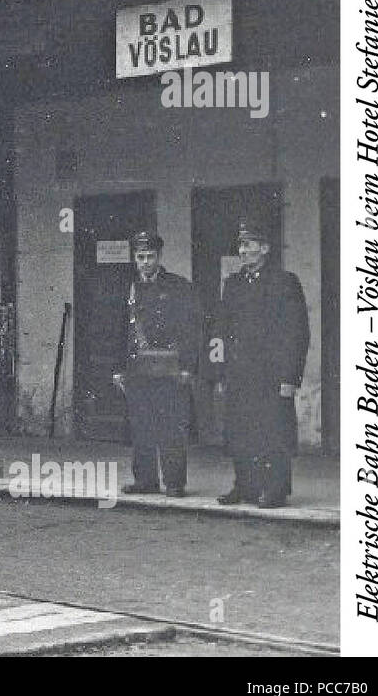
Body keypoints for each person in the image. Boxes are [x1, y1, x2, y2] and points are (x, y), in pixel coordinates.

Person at [215, 217, 309, 508]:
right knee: (241, 431)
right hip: (240, 373)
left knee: (273, 433)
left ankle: (275, 490)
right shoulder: (232, 285)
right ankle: (243, 485)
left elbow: (297, 333)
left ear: (265, 248)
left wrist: (290, 379)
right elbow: (222, 330)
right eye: (241, 245)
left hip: (272, 376)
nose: (243, 251)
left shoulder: (284, 282)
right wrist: (221, 372)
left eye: (249, 244)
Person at [113, 231, 201, 497]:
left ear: (159, 257)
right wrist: (119, 369)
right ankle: (146, 480)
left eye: (151, 256)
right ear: (134, 259)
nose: (146, 262)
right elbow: (121, 332)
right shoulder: (129, 289)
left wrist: (188, 366)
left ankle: (174, 482)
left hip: (170, 369)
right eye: (141, 257)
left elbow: (191, 329)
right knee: (141, 427)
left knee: (171, 426)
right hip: (139, 369)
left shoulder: (178, 286)